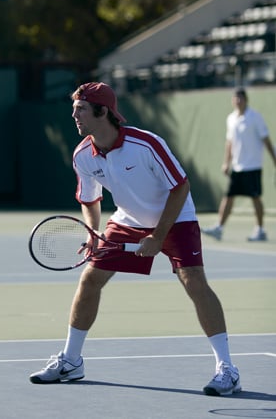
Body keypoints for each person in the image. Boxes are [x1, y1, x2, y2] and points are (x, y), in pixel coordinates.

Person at [29, 82, 241, 396]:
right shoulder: (82, 155)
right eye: (74, 110)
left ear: (102, 111)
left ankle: (227, 369)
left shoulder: (146, 144)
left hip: (175, 215)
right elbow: (90, 199)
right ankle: (71, 361)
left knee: (193, 280)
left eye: (80, 110)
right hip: (128, 218)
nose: (74, 116)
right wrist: (94, 232)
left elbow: (180, 187)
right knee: (90, 280)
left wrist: (158, 235)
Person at [202, 88, 276, 242]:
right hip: (237, 166)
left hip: (253, 166)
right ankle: (219, 228)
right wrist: (226, 162)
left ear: (246, 100)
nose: (237, 101)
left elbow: (266, 140)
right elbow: (229, 143)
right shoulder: (231, 119)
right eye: (235, 99)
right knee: (228, 197)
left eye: (240, 98)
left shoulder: (255, 117)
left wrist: (274, 159)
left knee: (255, 198)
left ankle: (260, 230)